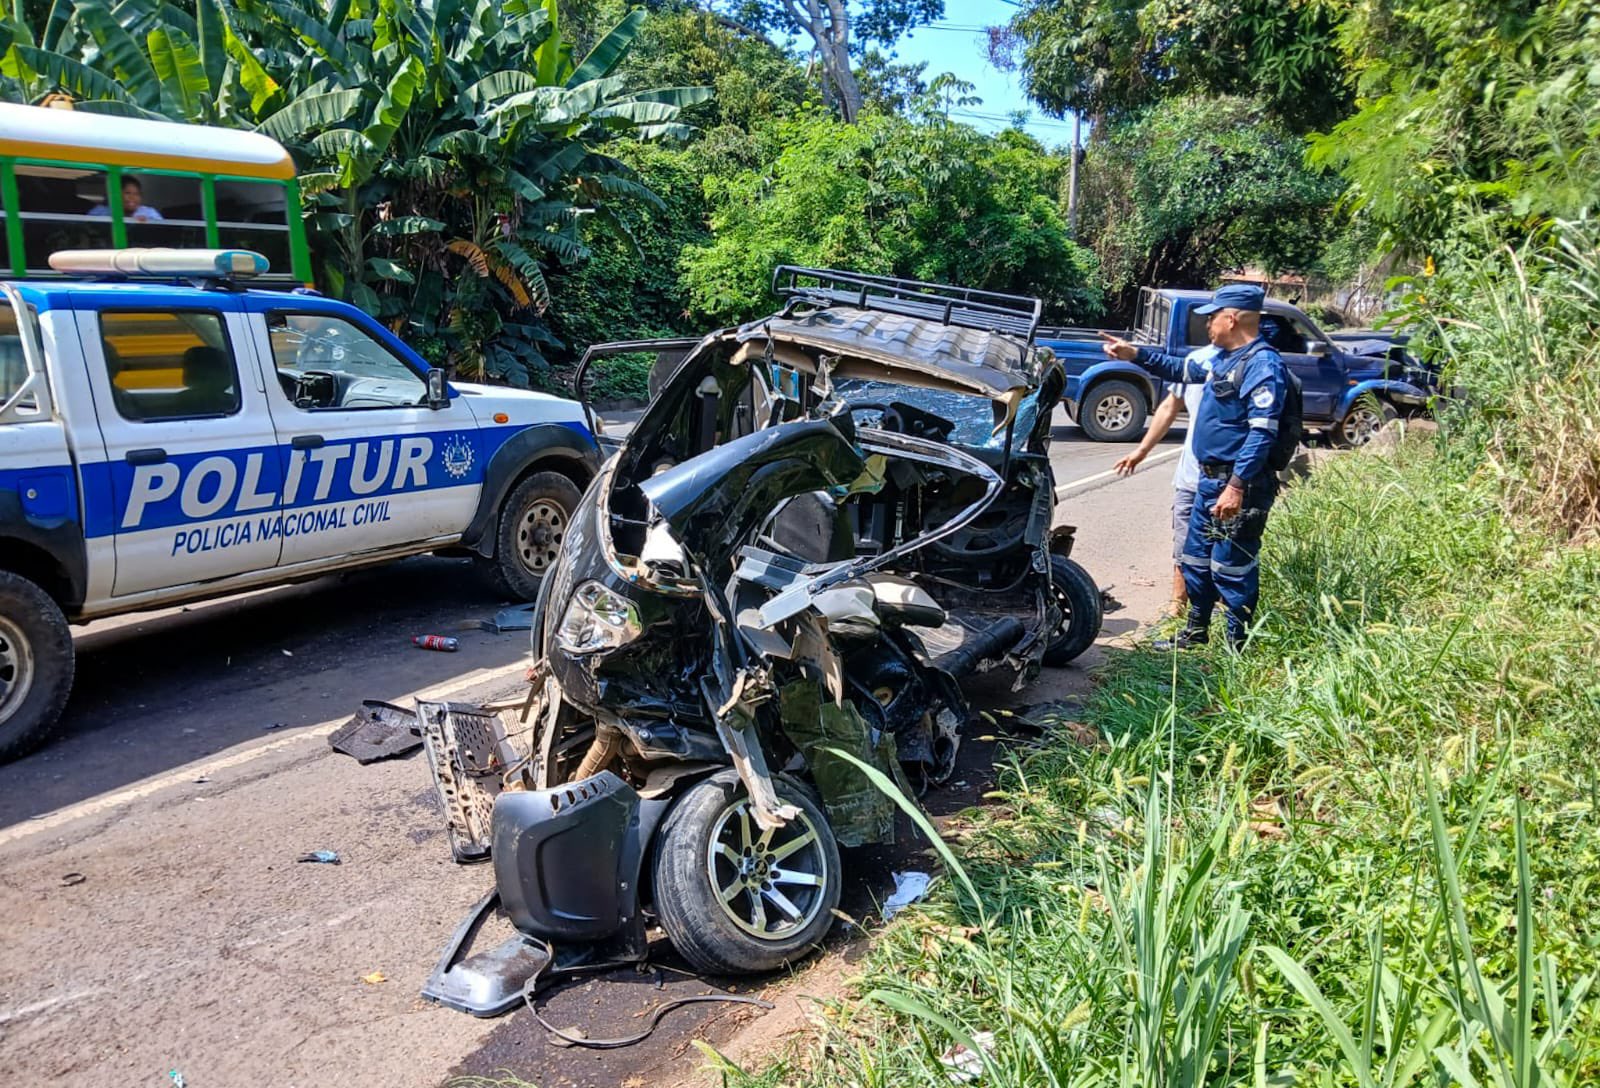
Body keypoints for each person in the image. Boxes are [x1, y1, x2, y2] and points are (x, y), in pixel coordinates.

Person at [1101, 284, 1288, 651]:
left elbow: (1262, 433)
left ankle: (1236, 650)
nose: (1207, 325)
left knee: (1232, 568)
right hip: (1208, 481)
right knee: (1195, 561)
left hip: (1237, 486)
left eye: (1212, 318)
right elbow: (1177, 368)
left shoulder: (1262, 365)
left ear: (1230, 319)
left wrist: (1236, 486)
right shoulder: (1221, 358)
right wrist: (1134, 354)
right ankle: (1195, 633)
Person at [1112, 342, 1219, 617]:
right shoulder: (1197, 359)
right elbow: (1169, 406)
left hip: (1228, 482)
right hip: (1190, 477)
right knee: (1184, 544)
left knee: (1224, 549)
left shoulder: (1254, 363)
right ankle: (1177, 606)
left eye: (1214, 319)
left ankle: (1219, 614)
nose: (1210, 325)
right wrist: (1141, 451)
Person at [89, 176, 164, 222]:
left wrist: (145, 224)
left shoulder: (149, 213)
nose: (132, 197)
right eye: (127, 193)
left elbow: (161, 231)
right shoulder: (100, 212)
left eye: (137, 194)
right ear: (115, 194)